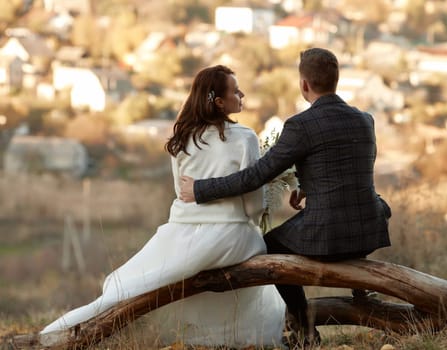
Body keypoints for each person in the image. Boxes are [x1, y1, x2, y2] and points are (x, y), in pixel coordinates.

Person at [39, 65, 286, 348]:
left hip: (180, 231)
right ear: (219, 102)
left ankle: (57, 335)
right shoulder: (245, 138)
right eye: (236, 90)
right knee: (255, 249)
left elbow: (181, 193)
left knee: (133, 281)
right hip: (231, 234)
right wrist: (259, 211)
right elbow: (253, 204)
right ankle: (228, 333)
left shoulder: (183, 138)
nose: (242, 95)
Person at [179, 48, 392, 345]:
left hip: (329, 236)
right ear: (336, 80)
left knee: (270, 245)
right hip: (369, 229)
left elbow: (256, 176)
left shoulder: (301, 125)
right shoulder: (364, 119)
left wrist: (200, 189)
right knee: (357, 206)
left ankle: (304, 325)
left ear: (304, 84)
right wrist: (308, 186)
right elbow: (352, 169)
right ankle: (360, 290)